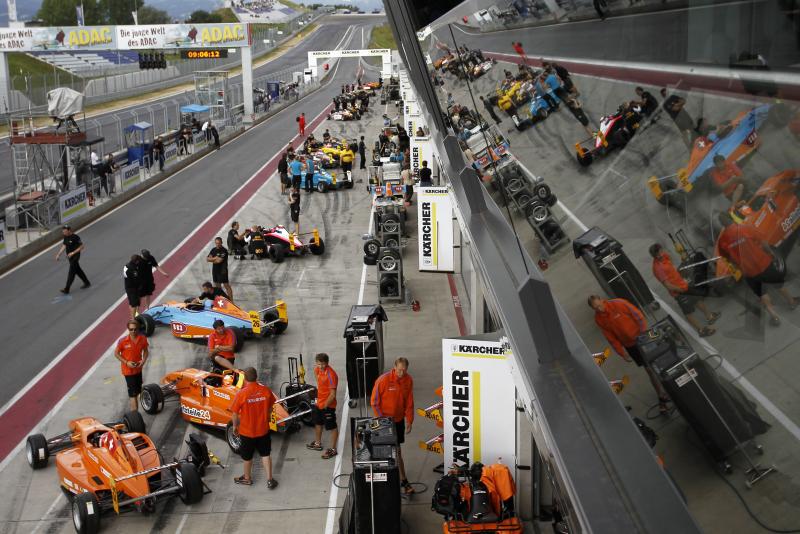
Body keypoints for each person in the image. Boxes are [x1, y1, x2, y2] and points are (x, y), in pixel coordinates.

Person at [588, 295, 671, 413]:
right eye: (596, 308)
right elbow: (611, 338)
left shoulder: (619, 303)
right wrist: (622, 353)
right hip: (631, 346)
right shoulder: (599, 319)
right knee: (649, 369)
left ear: (602, 300)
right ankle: (662, 397)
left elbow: (638, 316)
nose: (599, 309)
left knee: (661, 362)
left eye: (599, 305)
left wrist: (644, 335)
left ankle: (672, 387)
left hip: (644, 337)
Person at [717, 213, 798, 326]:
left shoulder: (722, 241)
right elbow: (763, 242)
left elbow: (728, 258)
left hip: (749, 272)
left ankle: (774, 317)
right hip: (763, 263)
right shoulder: (745, 228)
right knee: (778, 283)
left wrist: (739, 266)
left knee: (762, 293)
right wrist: (771, 253)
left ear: (722, 224)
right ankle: (791, 302)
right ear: (731, 219)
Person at [649, 244, 719, 336]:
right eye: (659, 253)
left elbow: (671, 265)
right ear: (656, 256)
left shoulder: (664, 256)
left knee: (697, 299)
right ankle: (701, 330)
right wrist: (680, 290)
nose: (662, 253)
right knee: (688, 312)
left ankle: (709, 316)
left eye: (661, 251)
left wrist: (682, 280)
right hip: (678, 292)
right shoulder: (658, 268)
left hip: (684, 285)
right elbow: (668, 285)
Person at [371, 357, 415, 495]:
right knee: (384, 451)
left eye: (404, 370)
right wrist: (382, 421)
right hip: (384, 421)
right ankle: (386, 481)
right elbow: (374, 402)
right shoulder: (383, 380)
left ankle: (403, 481)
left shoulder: (408, 380)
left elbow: (409, 402)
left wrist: (409, 420)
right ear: (394, 367)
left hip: (398, 421)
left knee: (397, 451)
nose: (401, 373)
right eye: (399, 370)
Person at [231, 367, 279, 489]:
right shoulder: (266, 390)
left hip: (247, 432)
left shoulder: (241, 394)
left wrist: (235, 427)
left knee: (247, 457)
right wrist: (267, 418)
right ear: (256, 377)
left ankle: (247, 478)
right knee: (265, 454)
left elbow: (235, 413)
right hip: (263, 430)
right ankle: (270, 480)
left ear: (245, 379)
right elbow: (271, 407)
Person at [306, 353, 339, 459]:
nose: (321, 366)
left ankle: (333, 449)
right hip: (319, 403)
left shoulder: (331, 375)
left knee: (332, 426)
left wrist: (325, 405)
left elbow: (332, 395)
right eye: (319, 364)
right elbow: (319, 385)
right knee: (318, 423)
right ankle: (317, 443)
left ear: (327, 363)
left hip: (328, 405)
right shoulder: (317, 370)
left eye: (323, 364)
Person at [114, 319, 149, 412]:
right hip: (128, 371)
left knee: (138, 390)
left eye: (135, 329)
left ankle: (141, 406)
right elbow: (116, 354)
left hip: (138, 369)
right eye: (131, 329)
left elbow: (146, 351)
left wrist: (143, 360)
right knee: (133, 393)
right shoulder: (122, 341)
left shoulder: (143, 339)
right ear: (128, 329)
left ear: (138, 329)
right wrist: (126, 362)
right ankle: (135, 414)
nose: (133, 331)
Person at [55, 224, 90, 294]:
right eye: (63, 231)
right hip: (70, 257)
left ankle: (67, 288)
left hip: (75, 257)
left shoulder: (75, 237)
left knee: (71, 272)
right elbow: (64, 245)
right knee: (78, 270)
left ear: (69, 230)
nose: (63, 233)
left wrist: (73, 253)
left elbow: (82, 247)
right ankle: (87, 282)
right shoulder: (65, 236)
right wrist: (59, 254)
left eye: (65, 231)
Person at [207, 237, 233, 302]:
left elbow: (219, 261)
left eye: (219, 243)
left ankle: (231, 301)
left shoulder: (224, 250)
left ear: (221, 243)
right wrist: (215, 258)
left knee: (226, 286)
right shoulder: (213, 249)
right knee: (218, 287)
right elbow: (207, 259)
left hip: (222, 271)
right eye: (216, 243)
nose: (217, 244)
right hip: (215, 271)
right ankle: (222, 302)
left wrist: (212, 259)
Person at [124, 254, 143, 319]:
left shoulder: (126, 265)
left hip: (128, 286)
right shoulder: (133, 269)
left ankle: (134, 315)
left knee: (131, 303)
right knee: (134, 304)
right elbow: (136, 280)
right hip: (133, 288)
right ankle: (133, 319)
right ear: (136, 261)